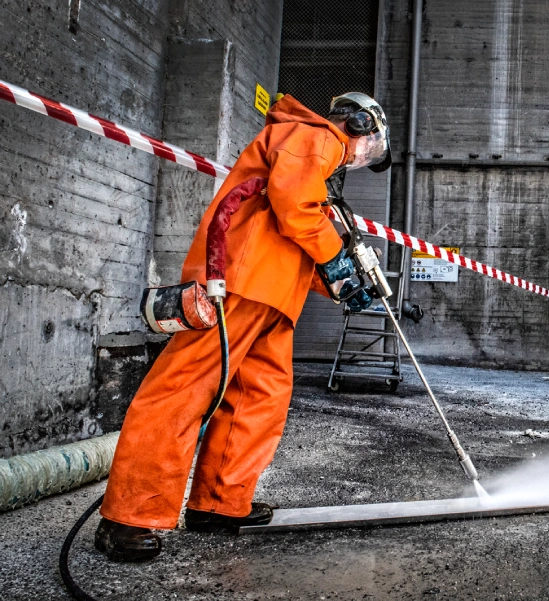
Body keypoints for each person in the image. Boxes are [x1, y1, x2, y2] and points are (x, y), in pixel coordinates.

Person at [94, 92, 392, 562]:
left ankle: (219, 503)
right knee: (183, 390)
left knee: (259, 399)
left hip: (274, 298)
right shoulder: (317, 135)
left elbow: (291, 230)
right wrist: (336, 258)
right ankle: (129, 515)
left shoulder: (316, 155)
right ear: (358, 124)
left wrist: (338, 282)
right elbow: (294, 205)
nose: (361, 157)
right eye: (369, 147)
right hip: (236, 284)